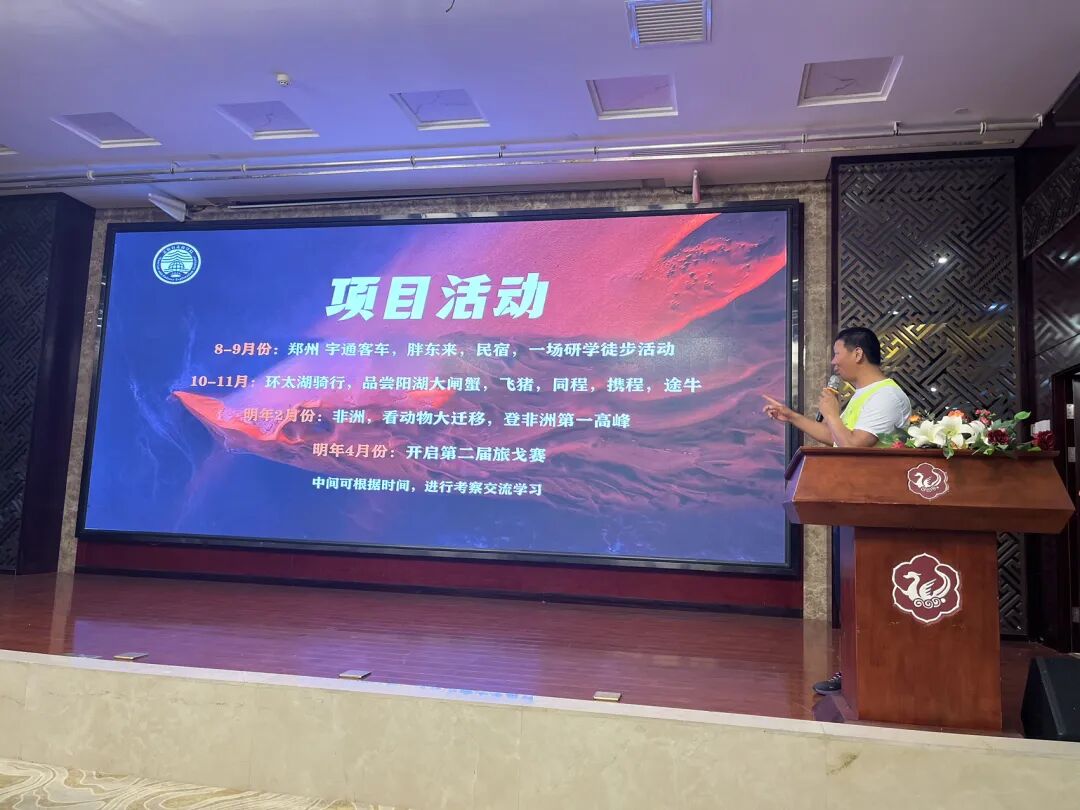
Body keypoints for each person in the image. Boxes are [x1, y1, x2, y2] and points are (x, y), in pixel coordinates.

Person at [762, 327, 912, 695]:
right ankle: (857, 673)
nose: (833, 362)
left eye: (837, 353)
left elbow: (853, 446)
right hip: (856, 507)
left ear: (858, 354)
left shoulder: (886, 395)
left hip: (878, 509)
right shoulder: (864, 395)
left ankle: (878, 677)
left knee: (874, 596)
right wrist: (793, 417)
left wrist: (830, 411)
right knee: (856, 595)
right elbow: (835, 437)